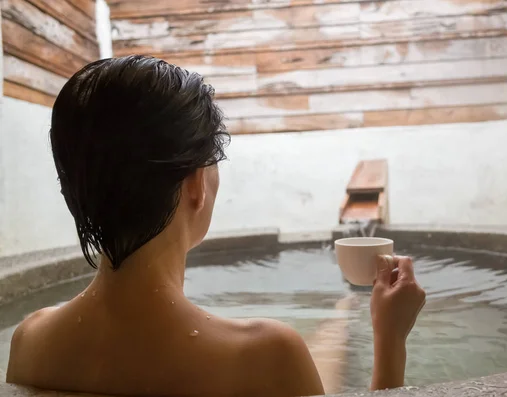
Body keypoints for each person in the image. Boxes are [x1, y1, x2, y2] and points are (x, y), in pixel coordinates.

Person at [6, 55, 426, 397]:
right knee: (325, 352)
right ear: (195, 185)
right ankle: (343, 313)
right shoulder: (266, 355)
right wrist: (390, 340)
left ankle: (340, 315)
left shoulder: (31, 340)